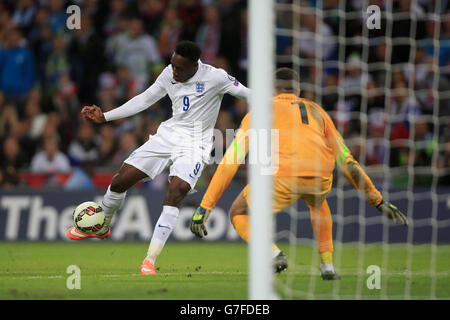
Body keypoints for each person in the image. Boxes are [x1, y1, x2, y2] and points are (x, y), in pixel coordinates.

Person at [189, 68, 408, 279]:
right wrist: (377, 201)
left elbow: (230, 161)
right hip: (321, 177)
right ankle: (328, 267)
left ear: (272, 90)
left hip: (283, 176)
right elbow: (346, 160)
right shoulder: (318, 111)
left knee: (237, 212)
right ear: (299, 91)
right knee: (318, 203)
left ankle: (274, 254)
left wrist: (205, 206)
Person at [66, 41, 250, 275]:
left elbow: (248, 94)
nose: (174, 71)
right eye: (172, 65)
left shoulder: (216, 77)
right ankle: (102, 224)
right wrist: (106, 116)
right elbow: (144, 99)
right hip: (167, 135)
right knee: (120, 180)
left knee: (178, 189)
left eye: (179, 68)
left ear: (195, 66)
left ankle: (149, 260)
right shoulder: (169, 73)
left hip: (195, 144)